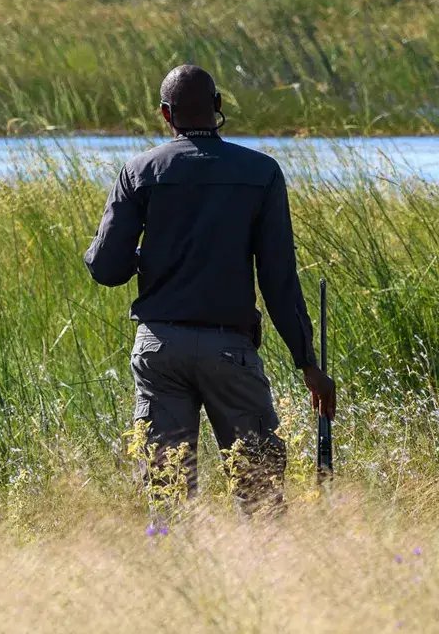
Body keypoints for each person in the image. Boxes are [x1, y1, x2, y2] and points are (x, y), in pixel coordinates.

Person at [84, 64, 335, 512]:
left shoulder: (140, 170)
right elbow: (278, 280)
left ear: (165, 114)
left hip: (158, 349)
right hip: (229, 352)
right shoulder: (261, 173)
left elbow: (105, 269)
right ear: (218, 106)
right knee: (259, 493)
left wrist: (145, 257)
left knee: (167, 494)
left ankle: (172, 572)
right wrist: (308, 363)